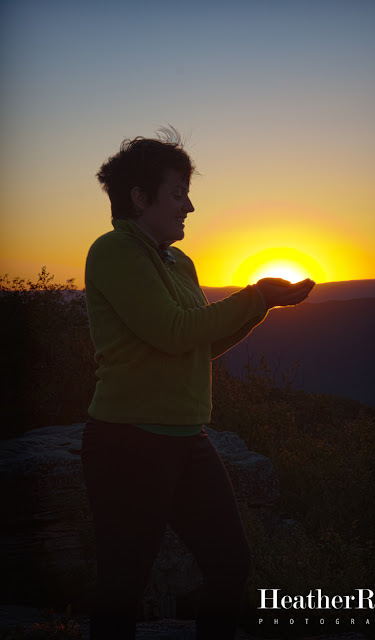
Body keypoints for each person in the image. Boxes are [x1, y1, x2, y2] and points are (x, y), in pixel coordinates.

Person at [81, 128, 315, 640]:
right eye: (178, 194)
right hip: (129, 440)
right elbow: (171, 332)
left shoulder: (178, 261)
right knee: (124, 584)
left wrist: (261, 309)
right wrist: (253, 297)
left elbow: (197, 345)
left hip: (187, 437)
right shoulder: (115, 251)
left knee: (230, 564)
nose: (189, 206)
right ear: (140, 198)